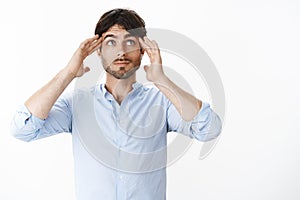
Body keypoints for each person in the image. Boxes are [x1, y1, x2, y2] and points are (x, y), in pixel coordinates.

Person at [11, 8, 222, 200]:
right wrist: (68, 74)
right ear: (98, 50)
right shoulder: (76, 104)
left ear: (142, 50)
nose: (120, 52)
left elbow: (208, 129)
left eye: (130, 42)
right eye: (111, 42)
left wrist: (162, 81)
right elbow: (23, 127)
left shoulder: (163, 102)